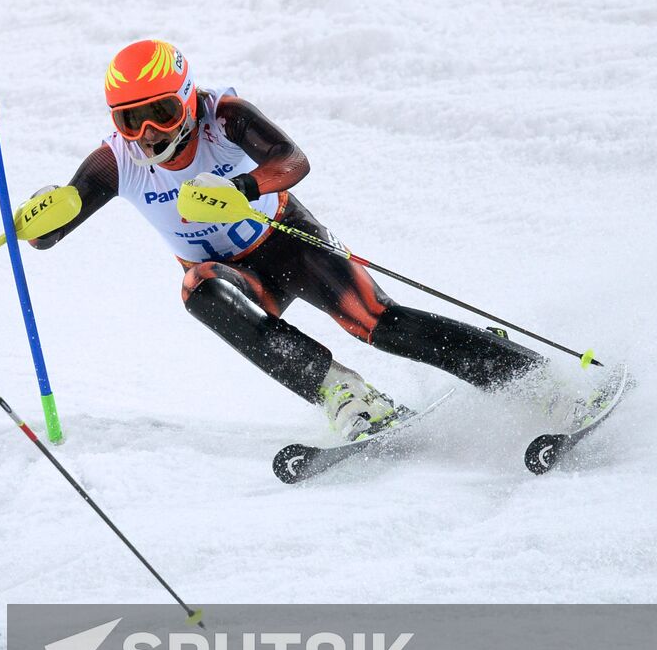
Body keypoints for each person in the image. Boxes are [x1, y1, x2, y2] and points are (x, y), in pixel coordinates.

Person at [27, 39, 544, 439]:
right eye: (129, 120)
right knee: (198, 288)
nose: (149, 134)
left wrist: (241, 187)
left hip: (289, 243)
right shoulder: (115, 160)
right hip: (242, 281)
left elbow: (294, 161)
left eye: (161, 113)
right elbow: (49, 238)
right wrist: (40, 217)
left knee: (376, 324)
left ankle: (531, 377)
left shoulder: (222, 115)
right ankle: (346, 396)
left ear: (187, 99)